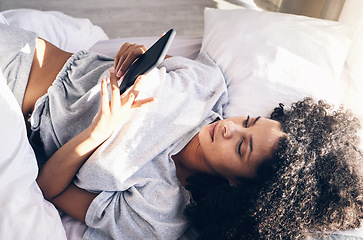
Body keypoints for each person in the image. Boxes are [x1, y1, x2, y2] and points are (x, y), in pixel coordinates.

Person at [1, 23, 362, 239]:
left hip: (13, 118)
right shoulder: (206, 86)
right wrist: (134, 53)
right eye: (247, 122)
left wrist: (96, 135)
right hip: (25, 51)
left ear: (238, 186)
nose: (229, 129)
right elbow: (133, 60)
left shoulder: (159, 217)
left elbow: (47, 189)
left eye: (242, 148)